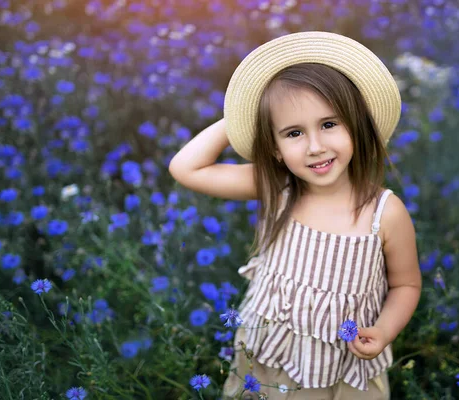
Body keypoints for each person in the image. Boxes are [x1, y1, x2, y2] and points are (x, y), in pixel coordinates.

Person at [168, 31, 422, 400]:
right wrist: (240, 117)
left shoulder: (384, 213)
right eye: (294, 132)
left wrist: (384, 330)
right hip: (266, 357)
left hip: (339, 370)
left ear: (357, 124)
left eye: (330, 124)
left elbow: (406, 285)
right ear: (273, 147)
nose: (315, 146)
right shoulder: (278, 187)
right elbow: (186, 168)